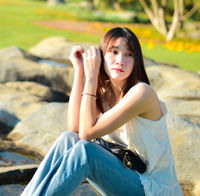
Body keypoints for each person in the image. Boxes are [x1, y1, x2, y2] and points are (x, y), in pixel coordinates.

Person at [21, 27, 183, 196]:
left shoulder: (142, 93)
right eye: (114, 52)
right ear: (101, 55)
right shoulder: (106, 93)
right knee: (68, 139)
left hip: (152, 189)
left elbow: (87, 133)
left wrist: (91, 77)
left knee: (85, 151)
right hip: (129, 176)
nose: (120, 60)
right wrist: (80, 71)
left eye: (129, 54)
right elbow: (75, 127)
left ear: (137, 61)